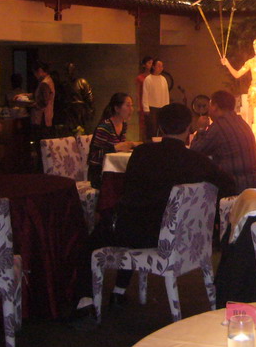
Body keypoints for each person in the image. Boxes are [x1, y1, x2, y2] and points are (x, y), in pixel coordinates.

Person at [101, 103, 235, 249]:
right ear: (188, 127)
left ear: (160, 128)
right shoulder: (196, 160)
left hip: (136, 233)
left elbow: (128, 190)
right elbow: (229, 184)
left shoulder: (141, 153)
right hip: (183, 235)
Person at [190, 90, 256, 193]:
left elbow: (195, 152)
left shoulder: (219, 126)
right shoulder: (242, 123)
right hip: (253, 182)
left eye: (210, 105)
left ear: (215, 107)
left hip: (233, 185)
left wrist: (200, 129)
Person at [86, 92, 134, 189]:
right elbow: (94, 156)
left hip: (114, 170)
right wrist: (115, 148)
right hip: (100, 173)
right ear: (117, 109)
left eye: (132, 106)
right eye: (128, 105)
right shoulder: (105, 127)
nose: (131, 109)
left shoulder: (123, 125)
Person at [140, 59, 169, 140]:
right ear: (153, 66)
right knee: (152, 129)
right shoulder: (148, 79)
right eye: (159, 66)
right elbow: (145, 94)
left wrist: (167, 107)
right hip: (152, 108)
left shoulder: (163, 79)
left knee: (162, 129)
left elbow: (166, 94)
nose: (161, 68)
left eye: (162, 66)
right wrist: (146, 108)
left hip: (162, 107)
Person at [66, 63, 94, 132]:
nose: (70, 72)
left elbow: (89, 96)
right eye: (68, 70)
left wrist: (90, 109)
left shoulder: (82, 82)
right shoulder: (66, 84)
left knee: (82, 129)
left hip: (80, 110)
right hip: (70, 110)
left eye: (71, 70)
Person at [30, 61, 55, 131]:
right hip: (47, 116)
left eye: (35, 73)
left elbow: (44, 102)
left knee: (41, 137)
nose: (35, 75)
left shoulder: (44, 83)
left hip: (42, 117)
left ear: (40, 71)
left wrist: (33, 105)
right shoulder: (48, 80)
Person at [135, 56, 153, 141]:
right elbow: (138, 92)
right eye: (149, 63)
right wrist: (138, 105)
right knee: (143, 125)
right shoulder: (140, 78)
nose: (151, 65)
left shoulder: (154, 77)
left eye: (152, 63)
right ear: (144, 65)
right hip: (143, 103)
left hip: (152, 102)